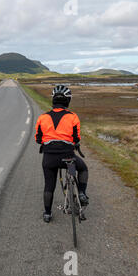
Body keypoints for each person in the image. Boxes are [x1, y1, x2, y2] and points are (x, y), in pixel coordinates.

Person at [35, 85, 89, 223]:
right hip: (68, 158)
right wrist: (73, 142)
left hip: (49, 159)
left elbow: (38, 139)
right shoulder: (73, 117)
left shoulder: (43, 117)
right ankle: (82, 193)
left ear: (53, 100)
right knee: (82, 168)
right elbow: (76, 138)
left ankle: (47, 214)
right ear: (68, 101)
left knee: (49, 185)